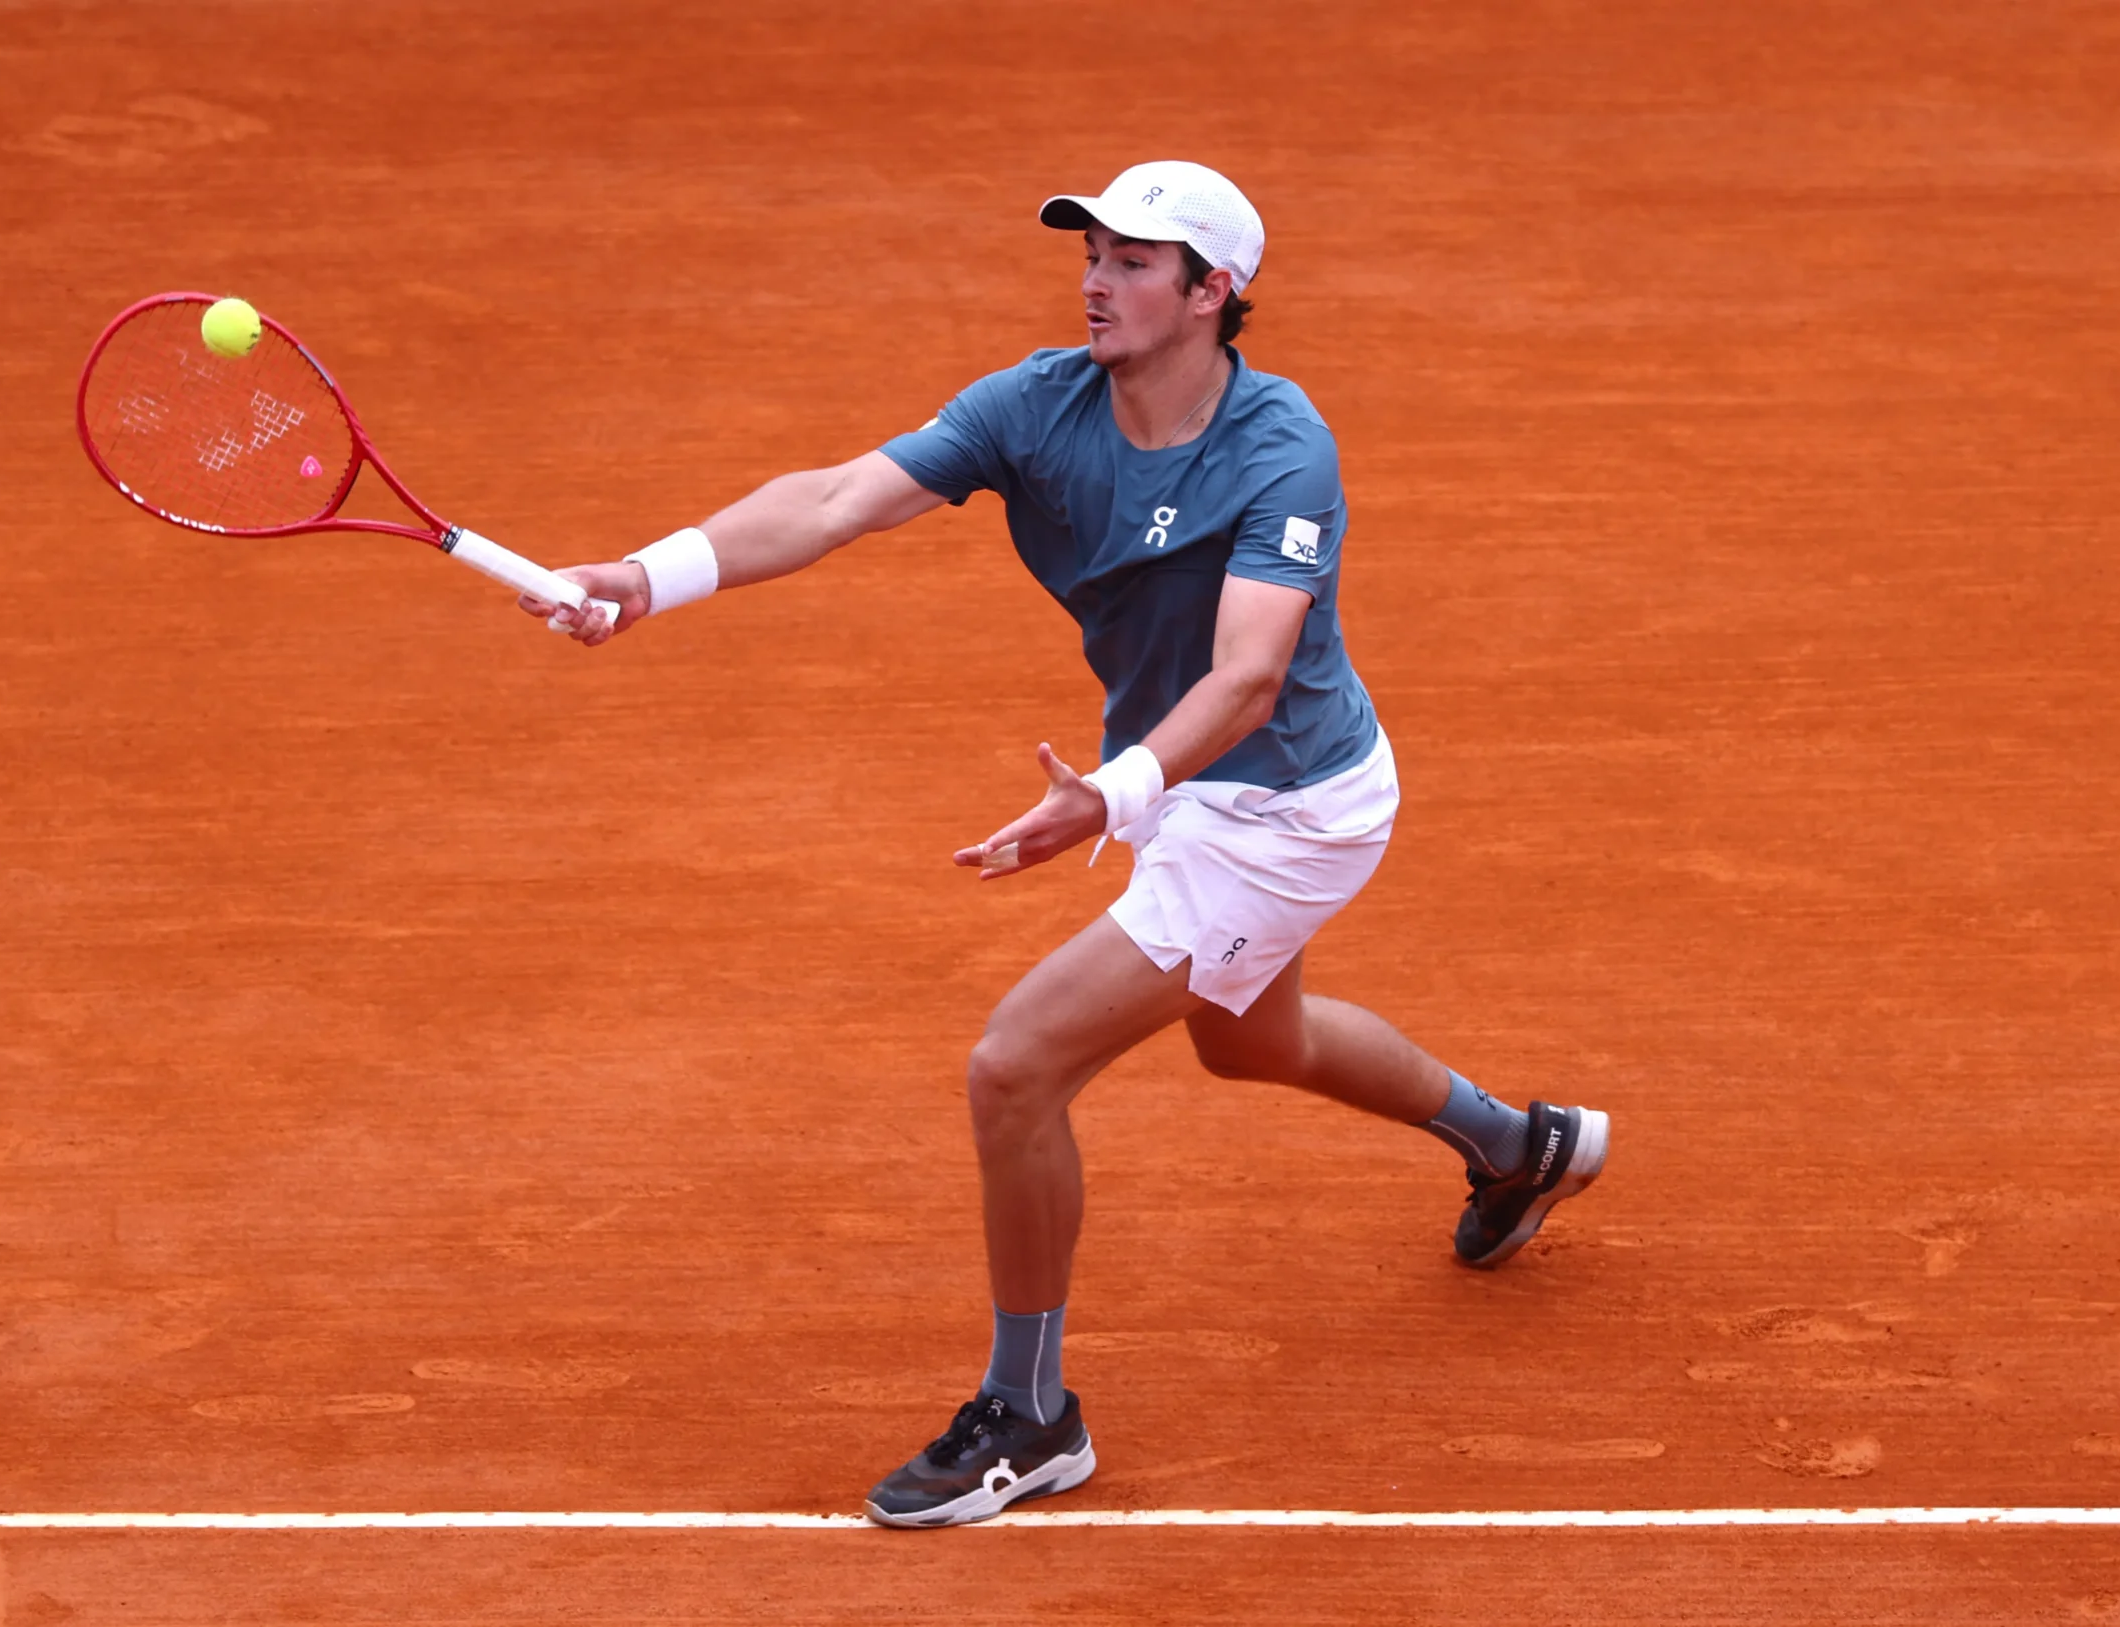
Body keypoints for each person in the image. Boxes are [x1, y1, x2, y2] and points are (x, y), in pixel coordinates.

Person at [527, 161, 1611, 1528]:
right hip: (1186, 786)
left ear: (1216, 293)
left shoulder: (1280, 446)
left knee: (1016, 1065)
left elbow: (1251, 678)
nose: (1097, 279)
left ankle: (1030, 1414)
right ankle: (1516, 1143)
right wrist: (647, 574)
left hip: (1283, 807)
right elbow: (834, 499)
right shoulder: (1035, 405)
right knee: (1250, 1039)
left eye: (1136, 261)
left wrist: (1118, 789)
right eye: (1092, 252)